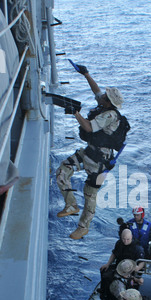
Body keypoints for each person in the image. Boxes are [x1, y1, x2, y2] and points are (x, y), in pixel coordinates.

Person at [56, 64, 126, 240]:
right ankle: (71, 205)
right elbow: (96, 91)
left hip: (99, 162)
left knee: (90, 195)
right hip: (89, 152)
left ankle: (83, 227)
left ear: (109, 102)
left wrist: (75, 113)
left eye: (105, 96)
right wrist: (86, 74)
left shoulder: (110, 116)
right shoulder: (104, 105)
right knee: (62, 171)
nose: (101, 96)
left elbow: (88, 127)